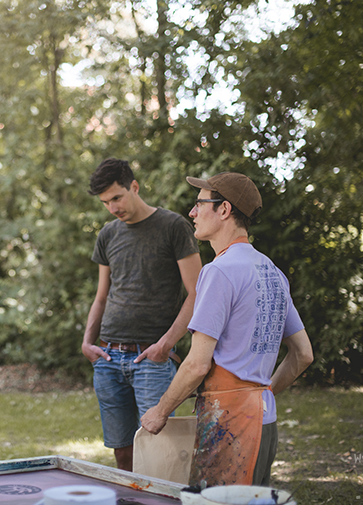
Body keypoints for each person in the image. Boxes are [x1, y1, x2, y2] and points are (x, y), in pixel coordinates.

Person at [140, 172, 314, 488]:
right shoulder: (273, 272)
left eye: (199, 204)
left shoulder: (218, 272)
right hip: (265, 421)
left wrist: (160, 411)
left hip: (229, 424)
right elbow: (303, 355)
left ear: (224, 210)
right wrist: (264, 394)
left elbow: (196, 364)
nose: (192, 213)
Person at [81, 157, 202, 472]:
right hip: (108, 359)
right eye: (105, 202)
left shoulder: (174, 226)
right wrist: (87, 342)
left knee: (160, 453)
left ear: (134, 187)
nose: (112, 208)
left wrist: (165, 345)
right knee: (123, 455)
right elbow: (102, 296)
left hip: (151, 358)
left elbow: (197, 292)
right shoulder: (108, 234)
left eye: (117, 198)